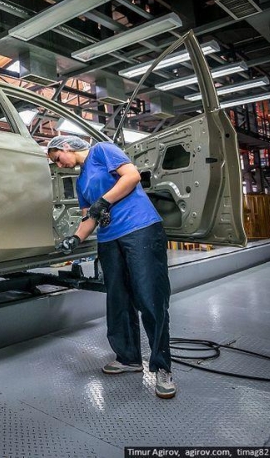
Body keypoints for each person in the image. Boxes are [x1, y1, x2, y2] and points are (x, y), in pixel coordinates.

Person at [47, 134, 176, 399]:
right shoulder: (81, 180)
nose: (60, 165)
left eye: (58, 159)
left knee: (150, 297)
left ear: (66, 147)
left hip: (139, 228)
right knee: (118, 299)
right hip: (108, 239)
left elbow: (131, 177)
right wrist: (74, 239)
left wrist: (104, 201)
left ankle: (162, 367)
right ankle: (128, 358)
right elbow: (88, 217)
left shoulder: (102, 151)